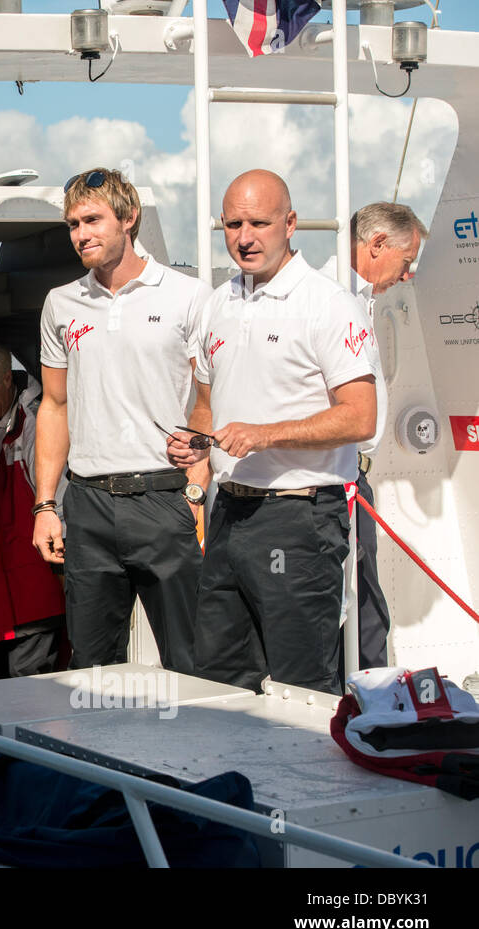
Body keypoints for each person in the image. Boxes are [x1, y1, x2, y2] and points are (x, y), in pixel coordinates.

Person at [170, 170, 376, 696]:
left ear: (290, 223)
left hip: (300, 518)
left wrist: (265, 434)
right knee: (218, 682)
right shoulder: (218, 303)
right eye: (233, 224)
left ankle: (310, 782)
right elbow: (207, 403)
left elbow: (360, 417)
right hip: (229, 515)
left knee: (301, 686)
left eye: (259, 223)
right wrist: (194, 446)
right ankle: (233, 780)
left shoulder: (326, 303)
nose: (244, 237)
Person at [34, 168, 212, 674]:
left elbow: (210, 395)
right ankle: (96, 756)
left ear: (129, 218)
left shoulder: (187, 296)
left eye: (92, 220)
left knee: (192, 663)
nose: (81, 235)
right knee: (92, 671)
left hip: (166, 500)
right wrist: (45, 505)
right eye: (73, 224)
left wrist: (197, 486)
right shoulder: (61, 303)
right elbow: (54, 405)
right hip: (87, 506)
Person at [319, 202, 427, 669]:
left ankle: (373, 694)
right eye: (407, 262)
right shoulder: (325, 297)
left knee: (363, 599)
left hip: (352, 476)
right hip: (329, 477)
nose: (408, 277)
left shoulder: (360, 300)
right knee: (338, 601)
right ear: (377, 244)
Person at [0, 339, 68, 678]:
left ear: (7, 380)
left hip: (34, 579)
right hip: (0, 576)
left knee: (28, 676)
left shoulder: (34, 424)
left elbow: (58, 497)